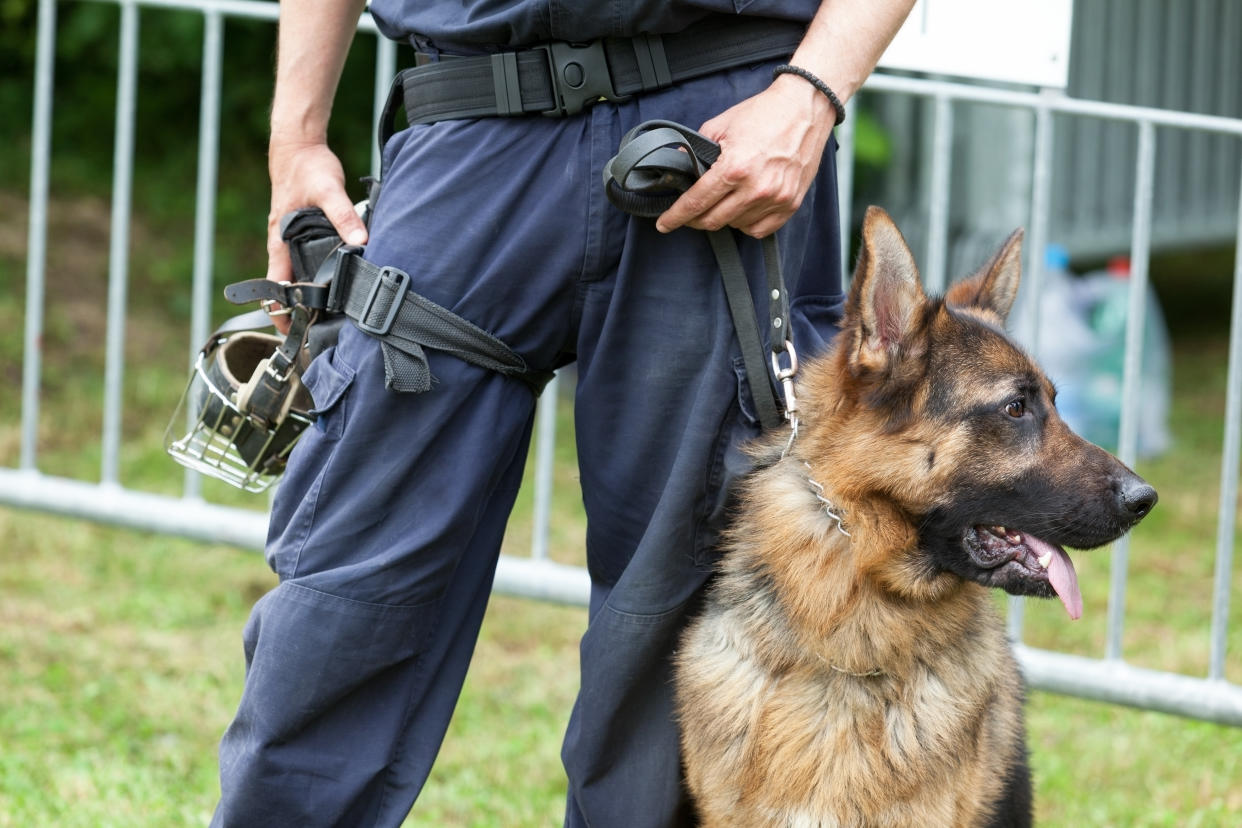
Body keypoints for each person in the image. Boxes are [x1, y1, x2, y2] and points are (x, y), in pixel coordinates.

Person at [213, 1, 915, 825]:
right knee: (345, 590)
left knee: (685, 616)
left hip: (721, 131)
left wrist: (814, 90)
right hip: (469, 119)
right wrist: (295, 139)